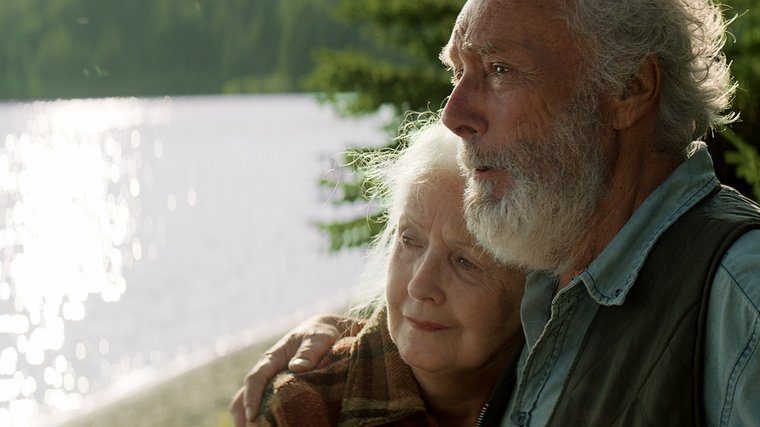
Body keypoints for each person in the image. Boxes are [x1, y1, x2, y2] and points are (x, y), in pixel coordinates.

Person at [232, 0, 760, 425]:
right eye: (458, 71)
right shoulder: (551, 287)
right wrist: (349, 355)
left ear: (629, 87)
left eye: (499, 69)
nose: (455, 114)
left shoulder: (742, 299)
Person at [252, 122, 525, 426]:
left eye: (464, 261)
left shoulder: (570, 388)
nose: (419, 285)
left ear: (533, 282)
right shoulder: (305, 405)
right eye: (409, 240)